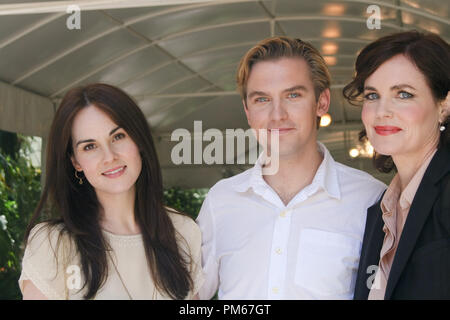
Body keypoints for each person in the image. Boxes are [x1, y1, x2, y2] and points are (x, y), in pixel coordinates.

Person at [196, 36, 387, 300]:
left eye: (293, 95)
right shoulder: (220, 201)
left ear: (321, 102)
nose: (277, 115)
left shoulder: (371, 199)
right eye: (262, 99)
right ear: (248, 111)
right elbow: (191, 298)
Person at [19, 83, 204, 300]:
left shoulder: (182, 232)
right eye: (89, 146)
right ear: (75, 162)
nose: (109, 157)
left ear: (139, 140)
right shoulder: (54, 243)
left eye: (118, 136)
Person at [343, 30, 450, 299]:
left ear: (444, 105)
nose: (382, 111)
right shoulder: (378, 211)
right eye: (372, 95)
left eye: (403, 94)